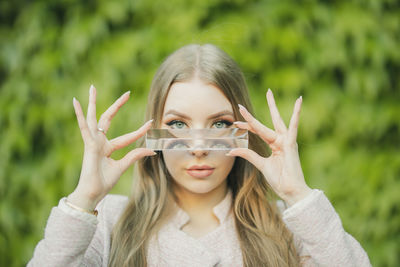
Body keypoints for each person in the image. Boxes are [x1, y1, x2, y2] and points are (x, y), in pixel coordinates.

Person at [28, 44, 371, 267]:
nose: (198, 147)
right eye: (177, 123)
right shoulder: (108, 224)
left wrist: (299, 195)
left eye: (220, 123)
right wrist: (82, 200)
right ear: (153, 131)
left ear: (244, 128)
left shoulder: (288, 229)